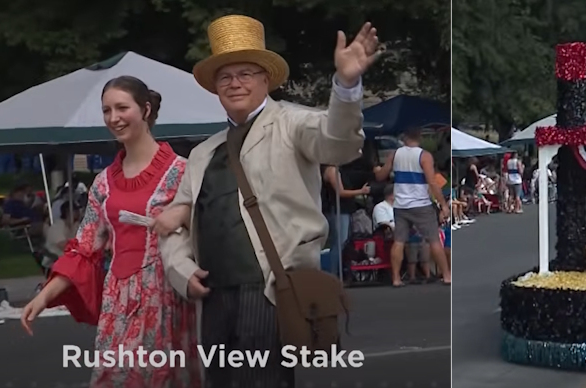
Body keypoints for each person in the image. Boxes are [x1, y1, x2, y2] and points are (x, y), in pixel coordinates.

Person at [151, 15, 376, 387]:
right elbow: (175, 225)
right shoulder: (204, 153)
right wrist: (182, 272)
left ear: (265, 80)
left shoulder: (292, 123)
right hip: (213, 293)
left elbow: (339, 143)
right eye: (225, 76)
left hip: (271, 287)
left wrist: (347, 86)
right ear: (215, 87)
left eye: (246, 73)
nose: (235, 83)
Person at [19, 76, 202, 386]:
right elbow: (85, 246)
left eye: (121, 108)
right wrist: (44, 295)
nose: (114, 118)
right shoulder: (103, 182)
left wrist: (183, 216)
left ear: (145, 110)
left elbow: (209, 228)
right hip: (118, 303)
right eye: (106, 110)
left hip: (168, 297)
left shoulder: (183, 171)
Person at [376, 127, 453, 286]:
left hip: (400, 204)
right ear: (419, 136)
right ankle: (446, 275)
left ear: (404, 137)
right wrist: (443, 205)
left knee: (399, 241)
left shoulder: (394, 154)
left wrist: (377, 169)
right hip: (420, 204)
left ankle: (396, 278)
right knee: (433, 240)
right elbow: (432, 182)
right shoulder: (424, 156)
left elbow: (381, 176)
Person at [322, 164, 370, 275]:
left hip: (345, 210)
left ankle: (341, 270)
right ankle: (333, 272)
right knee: (339, 241)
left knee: (344, 241)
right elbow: (340, 192)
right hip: (337, 210)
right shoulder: (332, 171)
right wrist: (361, 191)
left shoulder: (341, 171)